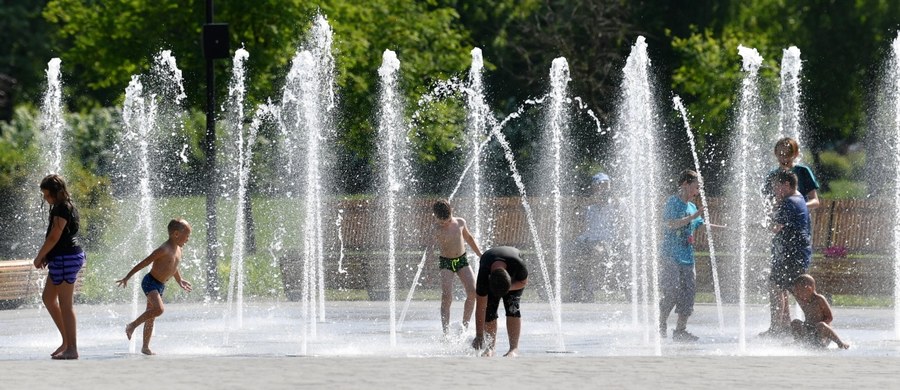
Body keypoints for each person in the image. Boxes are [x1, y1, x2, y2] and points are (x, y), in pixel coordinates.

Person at [658, 169, 723, 342]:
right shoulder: (673, 202)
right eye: (696, 186)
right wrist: (692, 217)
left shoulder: (692, 206)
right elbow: (671, 224)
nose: (698, 191)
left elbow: (700, 225)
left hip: (687, 257)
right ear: (685, 184)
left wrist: (724, 229)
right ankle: (661, 322)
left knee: (688, 293)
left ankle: (680, 330)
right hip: (670, 255)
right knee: (671, 291)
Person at [116, 219, 193, 355]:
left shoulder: (179, 249)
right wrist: (128, 277)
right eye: (186, 235)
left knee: (151, 316)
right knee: (158, 309)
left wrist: (179, 280)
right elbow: (144, 263)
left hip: (160, 285)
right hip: (150, 282)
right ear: (176, 234)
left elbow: (174, 266)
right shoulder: (164, 249)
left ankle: (145, 347)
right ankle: (132, 325)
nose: (188, 239)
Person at [33, 174, 86, 360]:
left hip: (66, 258)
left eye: (47, 195)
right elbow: (56, 237)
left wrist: (40, 255)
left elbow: (55, 235)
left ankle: (72, 348)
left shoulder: (62, 208)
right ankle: (66, 341)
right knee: (48, 298)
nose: (46, 199)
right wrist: (49, 254)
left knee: (65, 305)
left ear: (56, 193)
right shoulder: (62, 206)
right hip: (62, 257)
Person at [760, 170, 812, 337]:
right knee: (787, 288)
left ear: (787, 184)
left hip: (790, 254)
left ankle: (776, 329)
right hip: (796, 253)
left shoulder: (789, 202)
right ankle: (789, 327)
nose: (774, 189)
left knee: (776, 287)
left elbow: (775, 227)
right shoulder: (800, 199)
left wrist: (762, 223)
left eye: (776, 186)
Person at [432, 199, 482, 336]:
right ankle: (445, 332)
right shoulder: (436, 228)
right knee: (447, 296)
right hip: (446, 263)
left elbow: (469, 238)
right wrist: (426, 261)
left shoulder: (460, 223)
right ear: (435, 217)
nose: (444, 224)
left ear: (451, 213)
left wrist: (480, 255)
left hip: (461, 260)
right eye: (441, 222)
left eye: (447, 221)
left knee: (473, 291)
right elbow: (430, 248)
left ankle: (464, 326)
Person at [566, 172, 617, 302]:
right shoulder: (589, 205)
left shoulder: (615, 204)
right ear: (594, 188)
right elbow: (575, 218)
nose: (603, 189)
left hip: (606, 241)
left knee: (596, 253)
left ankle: (588, 290)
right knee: (569, 251)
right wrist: (590, 202)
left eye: (605, 185)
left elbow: (622, 224)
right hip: (587, 240)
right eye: (599, 185)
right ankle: (576, 289)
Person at [471, 246, 528, 357]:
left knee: (513, 306)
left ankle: (514, 348)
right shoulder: (484, 275)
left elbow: (523, 282)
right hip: (491, 269)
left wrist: (509, 288)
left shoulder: (519, 266)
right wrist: (479, 335)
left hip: (514, 276)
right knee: (489, 309)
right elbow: (480, 307)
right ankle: (490, 347)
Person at [790, 274, 850, 349]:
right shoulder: (802, 300)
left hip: (821, 334)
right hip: (809, 331)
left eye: (799, 291)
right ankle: (799, 342)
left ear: (809, 289)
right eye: (796, 292)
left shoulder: (819, 299)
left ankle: (840, 343)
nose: (797, 294)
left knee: (821, 325)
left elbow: (830, 317)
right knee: (795, 322)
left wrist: (816, 327)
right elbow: (791, 290)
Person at [763, 137, 820, 210]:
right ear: (775, 153)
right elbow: (767, 203)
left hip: (799, 218)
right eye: (780, 154)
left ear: (796, 154)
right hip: (779, 219)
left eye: (788, 154)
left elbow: (815, 201)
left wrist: (799, 206)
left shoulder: (803, 171)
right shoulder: (772, 175)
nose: (784, 158)